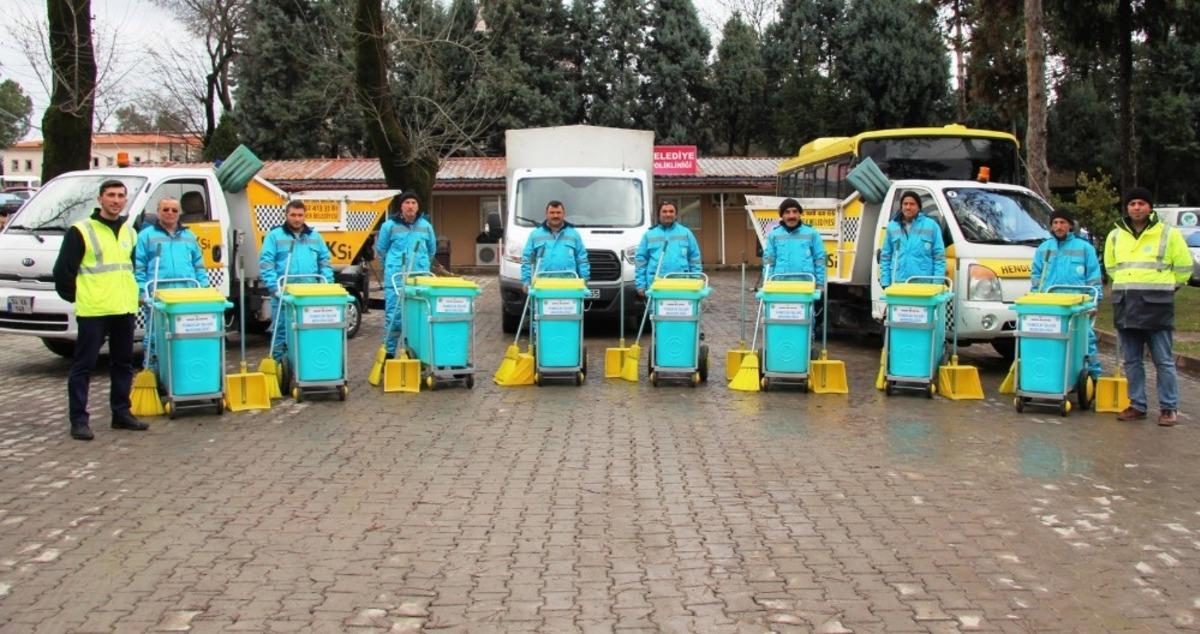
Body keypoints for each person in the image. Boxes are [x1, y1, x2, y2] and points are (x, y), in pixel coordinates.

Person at [53, 180, 147, 440]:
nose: (116, 200)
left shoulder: (129, 231)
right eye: (111, 196)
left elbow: (129, 268)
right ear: (100, 199)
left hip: (123, 307)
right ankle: (79, 420)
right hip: (94, 309)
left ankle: (121, 413)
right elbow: (63, 272)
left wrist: (134, 294)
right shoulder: (81, 231)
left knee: (123, 364)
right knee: (84, 365)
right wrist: (79, 296)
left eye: (120, 196)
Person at [1104, 187, 1192, 426]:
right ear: (1127, 207)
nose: (1136, 208)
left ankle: (1168, 408)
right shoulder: (1115, 235)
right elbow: (1111, 267)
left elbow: (1184, 266)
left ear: (1149, 207)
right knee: (1131, 360)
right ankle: (1137, 405)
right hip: (1126, 304)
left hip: (1157, 305)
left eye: (1141, 203)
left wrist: (1169, 286)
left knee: (1163, 360)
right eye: (1132, 204)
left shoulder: (1168, 234)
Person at [134, 198, 209, 370]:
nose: (170, 213)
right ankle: (153, 372)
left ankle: (181, 372)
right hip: (158, 297)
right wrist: (141, 292)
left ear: (179, 213)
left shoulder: (189, 236)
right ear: (158, 211)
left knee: (185, 336)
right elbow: (139, 266)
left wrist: (203, 288)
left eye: (174, 210)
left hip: (185, 296)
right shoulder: (145, 236)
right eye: (166, 209)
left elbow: (198, 264)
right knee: (154, 337)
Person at [1030, 208, 1103, 381]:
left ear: (1070, 225)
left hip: (1078, 305)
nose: (1059, 226)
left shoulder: (1085, 248)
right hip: (1051, 305)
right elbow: (1036, 277)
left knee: (1086, 341)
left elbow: (1093, 278)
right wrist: (1035, 300)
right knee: (1053, 342)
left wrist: (1094, 302)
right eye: (1055, 223)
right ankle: (1056, 376)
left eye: (1062, 222)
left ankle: (1093, 377)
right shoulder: (1043, 249)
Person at [260, 200, 334, 362]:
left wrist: (326, 285)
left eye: (300, 215)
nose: (297, 219)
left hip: (309, 296)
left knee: (309, 332)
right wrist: (274, 288)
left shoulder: (315, 237)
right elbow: (266, 264)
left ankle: (306, 365)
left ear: (304, 216)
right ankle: (279, 369)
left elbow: (325, 262)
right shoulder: (274, 236)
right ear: (286, 215)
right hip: (284, 295)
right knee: (281, 333)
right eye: (293, 215)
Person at [376, 191, 436, 358]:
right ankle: (388, 355)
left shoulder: (426, 226)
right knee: (394, 318)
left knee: (418, 317)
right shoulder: (389, 226)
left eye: (413, 203)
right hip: (396, 280)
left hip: (419, 280)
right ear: (401, 206)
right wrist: (390, 267)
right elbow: (381, 250)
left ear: (418, 207)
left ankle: (416, 354)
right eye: (407, 202)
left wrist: (422, 264)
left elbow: (432, 250)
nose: (410, 206)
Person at [879, 190, 946, 288]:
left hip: (923, 284)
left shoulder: (931, 225)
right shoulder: (892, 226)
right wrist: (885, 282)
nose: (908, 207)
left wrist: (937, 284)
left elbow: (939, 257)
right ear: (901, 206)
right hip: (898, 282)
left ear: (919, 207)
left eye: (912, 204)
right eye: (905, 204)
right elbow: (886, 256)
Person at [635, 200, 702, 295]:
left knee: (680, 309)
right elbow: (641, 261)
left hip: (681, 284)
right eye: (664, 211)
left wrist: (696, 281)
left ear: (676, 215)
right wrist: (641, 285)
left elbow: (694, 258)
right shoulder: (649, 235)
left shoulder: (686, 233)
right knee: (656, 310)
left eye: (671, 211)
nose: (668, 214)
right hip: (656, 284)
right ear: (658, 214)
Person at [521, 200, 590, 289]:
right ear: (546, 214)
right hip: (542, 286)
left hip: (569, 285)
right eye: (552, 212)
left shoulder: (574, 234)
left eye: (558, 212)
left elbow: (582, 259)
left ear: (563, 214)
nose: (555, 215)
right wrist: (526, 281)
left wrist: (584, 279)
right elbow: (527, 260)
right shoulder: (535, 235)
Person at [763, 198, 826, 285]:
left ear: (800, 214)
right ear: (782, 215)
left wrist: (820, 283)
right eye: (787, 212)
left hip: (806, 285)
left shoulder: (812, 233)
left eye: (795, 211)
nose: (791, 216)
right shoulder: (773, 235)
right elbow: (769, 261)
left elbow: (820, 259)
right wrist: (767, 282)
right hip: (780, 285)